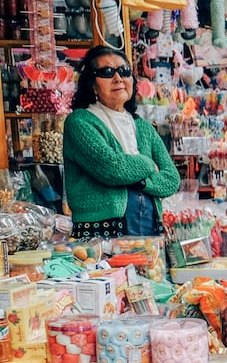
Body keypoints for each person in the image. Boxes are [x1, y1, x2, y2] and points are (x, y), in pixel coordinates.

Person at [63, 46, 179, 239]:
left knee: (148, 270)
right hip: (101, 231)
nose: (118, 78)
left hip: (148, 224)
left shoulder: (143, 126)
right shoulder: (80, 122)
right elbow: (112, 168)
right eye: (107, 72)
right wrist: (149, 164)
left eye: (124, 71)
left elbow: (171, 180)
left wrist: (136, 178)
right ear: (92, 84)